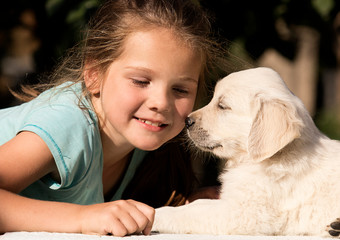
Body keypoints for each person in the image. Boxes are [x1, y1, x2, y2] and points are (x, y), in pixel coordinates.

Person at [0, 0, 238, 236]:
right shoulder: (68, 124)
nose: (161, 103)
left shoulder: (146, 142)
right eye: (141, 81)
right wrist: (83, 218)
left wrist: (185, 209)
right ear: (94, 74)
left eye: (180, 90)